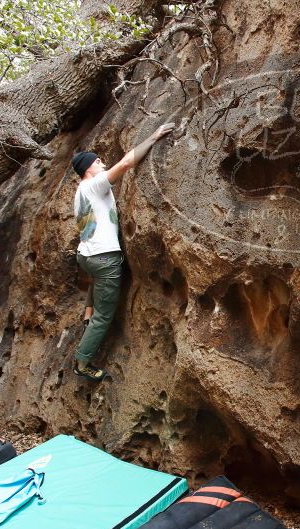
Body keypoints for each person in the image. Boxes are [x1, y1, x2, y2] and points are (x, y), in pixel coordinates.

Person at [70, 121, 175, 381]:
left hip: (88, 256)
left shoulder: (80, 192)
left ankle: (87, 311)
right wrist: (153, 137)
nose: (103, 163)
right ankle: (82, 364)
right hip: (104, 258)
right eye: (98, 161)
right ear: (88, 168)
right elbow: (126, 164)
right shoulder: (93, 185)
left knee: (97, 279)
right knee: (105, 317)